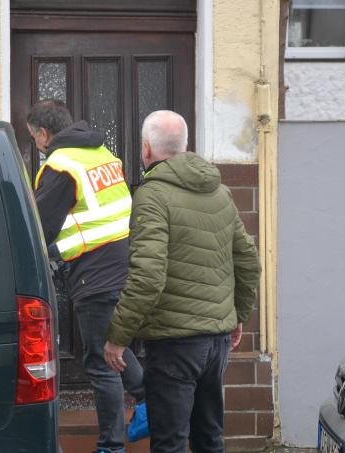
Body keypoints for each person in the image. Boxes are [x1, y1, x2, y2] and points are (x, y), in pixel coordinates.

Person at [104, 110, 261, 453]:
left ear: (146, 149)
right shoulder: (219, 192)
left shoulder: (152, 195)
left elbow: (147, 276)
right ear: (185, 146)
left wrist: (118, 337)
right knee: (209, 437)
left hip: (174, 343)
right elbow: (248, 261)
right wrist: (238, 314)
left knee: (170, 443)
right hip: (216, 341)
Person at [27, 100, 148, 453]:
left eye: (35, 138)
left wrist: (34, 250)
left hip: (94, 273)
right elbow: (94, 216)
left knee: (100, 361)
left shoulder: (61, 165)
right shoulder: (101, 155)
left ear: (45, 133)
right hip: (121, 263)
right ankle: (148, 400)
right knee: (114, 344)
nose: (36, 145)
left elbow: (40, 226)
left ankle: (111, 446)